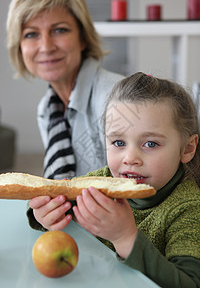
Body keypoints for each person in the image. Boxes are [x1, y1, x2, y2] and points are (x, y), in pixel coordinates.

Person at [28, 72, 200, 287]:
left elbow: (190, 282)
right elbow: (57, 198)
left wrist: (125, 238)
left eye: (150, 144)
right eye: (119, 143)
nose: (130, 159)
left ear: (188, 148)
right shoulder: (102, 181)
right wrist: (44, 214)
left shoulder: (189, 208)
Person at [6, 0, 124, 180]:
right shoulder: (47, 109)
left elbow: (143, 191)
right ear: (19, 46)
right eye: (30, 34)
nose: (46, 47)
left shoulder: (118, 97)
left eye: (60, 30)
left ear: (83, 37)